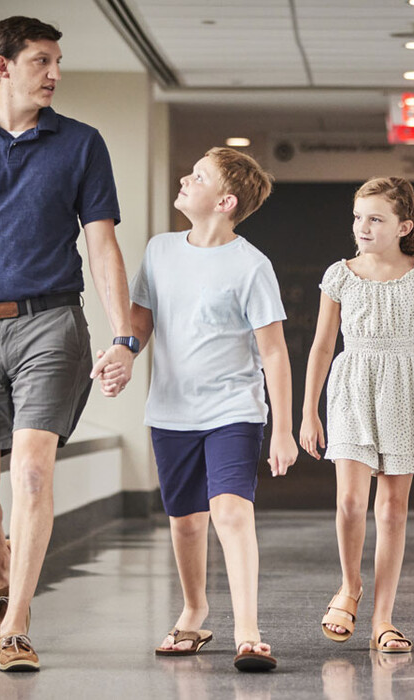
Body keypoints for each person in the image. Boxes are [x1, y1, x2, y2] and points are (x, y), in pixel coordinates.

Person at [0, 16, 138, 672]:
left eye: (57, 61)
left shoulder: (81, 144)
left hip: (51, 323)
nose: (55, 73)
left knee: (34, 470)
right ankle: (2, 561)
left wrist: (123, 336)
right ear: (2, 65)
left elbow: (102, 247)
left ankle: (16, 622)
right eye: (42, 61)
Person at [109, 147, 297, 672]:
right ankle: (194, 612)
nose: (185, 179)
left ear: (225, 201)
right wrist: (123, 351)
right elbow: (141, 320)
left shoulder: (251, 266)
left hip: (233, 409)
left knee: (231, 512)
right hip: (170, 411)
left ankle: (248, 631)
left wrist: (282, 428)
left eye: (199, 177)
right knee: (186, 522)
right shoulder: (161, 250)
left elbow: (274, 352)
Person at [299, 177, 414, 654]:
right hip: (352, 384)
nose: (363, 227)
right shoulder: (340, 274)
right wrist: (308, 412)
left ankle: (383, 618)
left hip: (404, 384)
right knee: (352, 503)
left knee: (392, 510)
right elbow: (321, 345)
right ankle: (349, 587)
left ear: (404, 226)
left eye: (375, 219)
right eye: (358, 217)